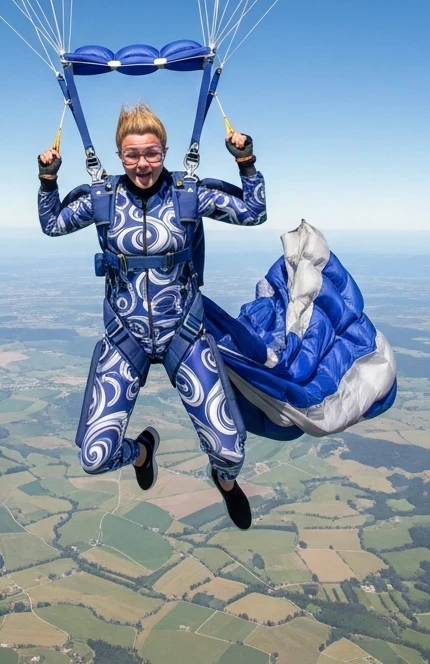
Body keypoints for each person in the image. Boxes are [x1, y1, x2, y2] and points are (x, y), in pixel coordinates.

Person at [38, 101, 266, 529]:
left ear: (164, 151)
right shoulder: (103, 199)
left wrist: (246, 160)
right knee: (95, 456)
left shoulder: (187, 194)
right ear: (118, 156)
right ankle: (143, 451)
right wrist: (47, 178)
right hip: (127, 338)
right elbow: (52, 224)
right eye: (131, 155)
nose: (142, 164)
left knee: (230, 450)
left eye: (152, 153)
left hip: (185, 334)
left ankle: (226, 482)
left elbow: (254, 213)